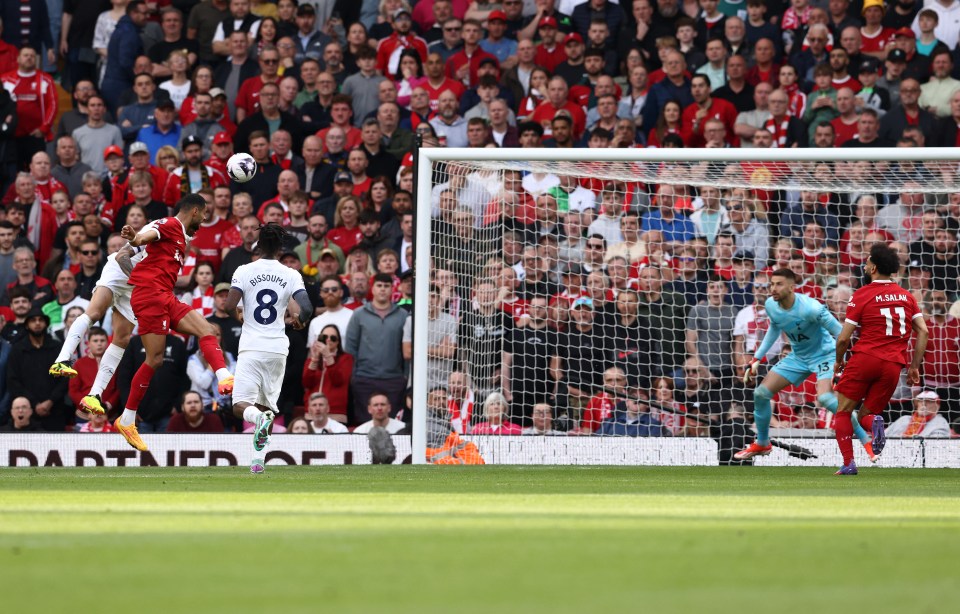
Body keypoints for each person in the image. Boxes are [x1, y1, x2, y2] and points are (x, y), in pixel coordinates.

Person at [112, 194, 235, 452]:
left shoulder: (181, 235)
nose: (203, 221)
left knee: (208, 329)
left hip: (165, 295)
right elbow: (145, 237)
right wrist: (135, 238)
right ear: (194, 211)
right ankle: (127, 420)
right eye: (203, 215)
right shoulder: (168, 224)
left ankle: (224, 377)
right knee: (154, 360)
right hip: (150, 297)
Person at [736, 268, 873, 462]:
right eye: (771, 284)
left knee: (825, 398)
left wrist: (843, 362)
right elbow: (775, 327)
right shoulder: (770, 305)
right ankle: (763, 442)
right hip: (798, 356)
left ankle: (864, 438)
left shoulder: (812, 308)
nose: (773, 288)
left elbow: (841, 335)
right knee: (760, 394)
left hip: (824, 355)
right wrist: (757, 357)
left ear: (792, 287)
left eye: (778, 284)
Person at [832, 244, 929, 475]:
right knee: (867, 414)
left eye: (866, 262)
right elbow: (923, 332)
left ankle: (848, 463)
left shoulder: (861, 294)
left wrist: (839, 360)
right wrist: (914, 366)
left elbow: (844, 339)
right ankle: (875, 425)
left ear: (873, 267)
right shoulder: (907, 296)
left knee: (844, 411)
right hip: (894, 366)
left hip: (865, 358)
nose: (864, 265)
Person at [223, 223, 311, 473]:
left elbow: (229, 304)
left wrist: (239, 315)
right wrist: (298, 321)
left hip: (251, 347)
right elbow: (306, 309)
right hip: (277, 349)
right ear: (281, 247)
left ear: (258, 245)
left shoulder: (244, 270)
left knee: (241, 405)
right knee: (267, 407)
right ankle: (258, 462)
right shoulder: (291, 274)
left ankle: (258, 423)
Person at [885, 390, 952, 438]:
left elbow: (935, 447)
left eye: (928, 401)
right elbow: (883, 435)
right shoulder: (904, 419)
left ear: (937, 406)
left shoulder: (940, 422)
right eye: (920, 401)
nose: (924, 404)